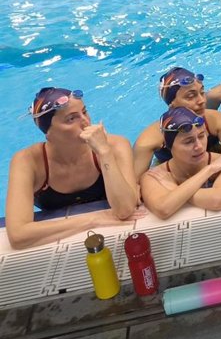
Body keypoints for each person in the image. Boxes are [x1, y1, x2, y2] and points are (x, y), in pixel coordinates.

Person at [6, 88, 139, 249]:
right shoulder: (28, 162)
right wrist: (92, 220)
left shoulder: (116, 145)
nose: (85, 121)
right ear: (49, 132)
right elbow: (18, 235)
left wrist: (104, 153)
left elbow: (124, 210)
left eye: (84, 112)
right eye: (71, 119)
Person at [133, 67, 221, 186]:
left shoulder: (219, 121)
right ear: (171, 104)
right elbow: (136, 183)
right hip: (174, 173)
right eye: (191, 96)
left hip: (213, 158)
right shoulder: (149, 139)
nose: (201, 101)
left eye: (202, 93)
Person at [140, 107, 221, 219]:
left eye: (201, 136)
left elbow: (217, 200)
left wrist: (174, 190)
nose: (199, 146)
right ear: (169, 146)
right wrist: (209, 170)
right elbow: (163, 209)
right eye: (188, 142)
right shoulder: (153, 176)